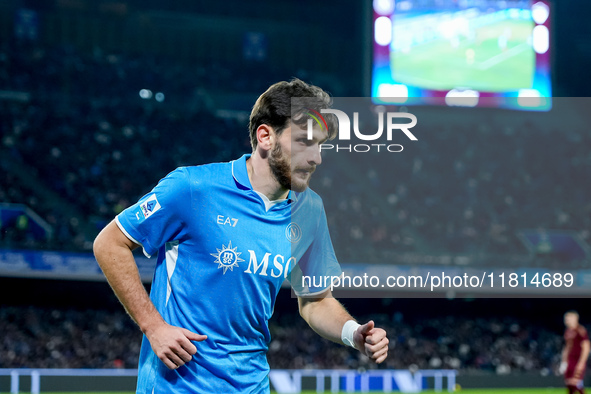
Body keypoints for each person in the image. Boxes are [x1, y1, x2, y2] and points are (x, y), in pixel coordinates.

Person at [93, 78, 389, 393]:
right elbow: (110, 243)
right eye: (305, 141)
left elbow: (315, 300)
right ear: (265, 136)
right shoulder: (193, 188)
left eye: (321, 145)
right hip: (178, 385)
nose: (317, 157)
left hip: (251, 386)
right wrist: (153, 326)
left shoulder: (309, 210)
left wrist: (352, 332)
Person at [560, 311, 590, 394]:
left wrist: (581, 362)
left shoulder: (580, 330)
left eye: (568, 319)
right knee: (569, 384)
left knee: (575, 383)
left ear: (575, 319)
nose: (566, 321)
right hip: (570, 360)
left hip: (577, 360)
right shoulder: (568, 331)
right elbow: (567, 347)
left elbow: (586, 347)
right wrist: (564, 362)